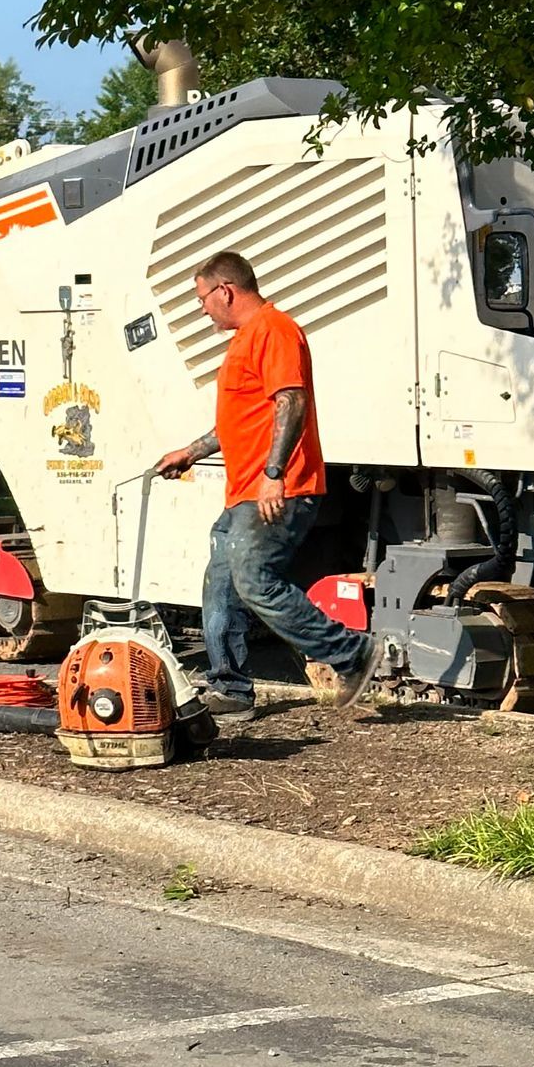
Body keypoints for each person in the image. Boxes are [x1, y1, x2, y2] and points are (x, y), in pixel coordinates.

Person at [156, 249, 375, 724]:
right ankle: (230, 688)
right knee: (222, 583)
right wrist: (190, 453)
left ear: (225, 291)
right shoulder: (245, 340)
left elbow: (291, 401)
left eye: (202, 298)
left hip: (278, 490)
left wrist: (273, 475)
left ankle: (352, 654)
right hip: (244, 494)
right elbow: (241, 423)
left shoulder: (274, 330)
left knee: (257, 583)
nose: (202, 309)